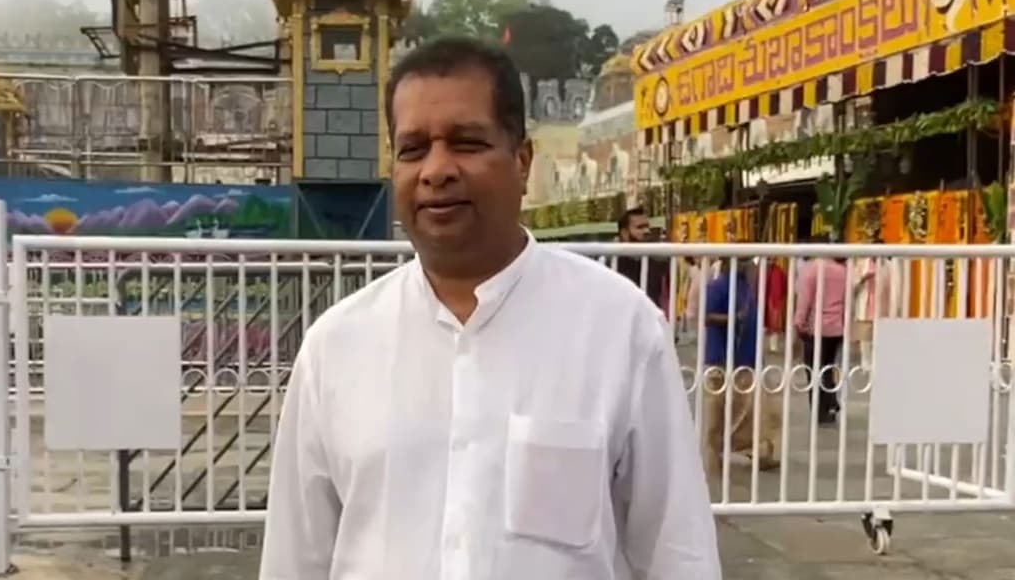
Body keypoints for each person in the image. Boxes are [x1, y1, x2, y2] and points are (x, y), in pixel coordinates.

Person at [260, 37, 720, 579]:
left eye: (466, 142)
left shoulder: (619, 328)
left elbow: (677, 552)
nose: (436, 169)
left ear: (522, 161)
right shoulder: (336, 347)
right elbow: (296, 558)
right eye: (412, 149)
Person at [701, 259, 781, 474]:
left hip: (748, 358)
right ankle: (714, 453)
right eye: (750, 263)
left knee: (760, 411)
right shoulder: (718, 286)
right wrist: (732, 319)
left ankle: (759, 451)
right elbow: (705, 315)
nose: (755, 267)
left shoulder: (748, 287)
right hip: (724, 358)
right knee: (721, 410)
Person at [793, 244, 849, 424]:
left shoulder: (811, 271)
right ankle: (831, 402)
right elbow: (847, 301)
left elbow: (805, 299)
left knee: (813, 369)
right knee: (827, 366)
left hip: (815, 327)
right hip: (836, 328)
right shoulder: (842, 272)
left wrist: (798, 323)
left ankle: (821, 410)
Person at [615, 206, 669, 310]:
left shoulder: (658, 262)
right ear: (625, 233)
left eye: (647, 227)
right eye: (640, 227)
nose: (647, 231)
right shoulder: (612, 264)